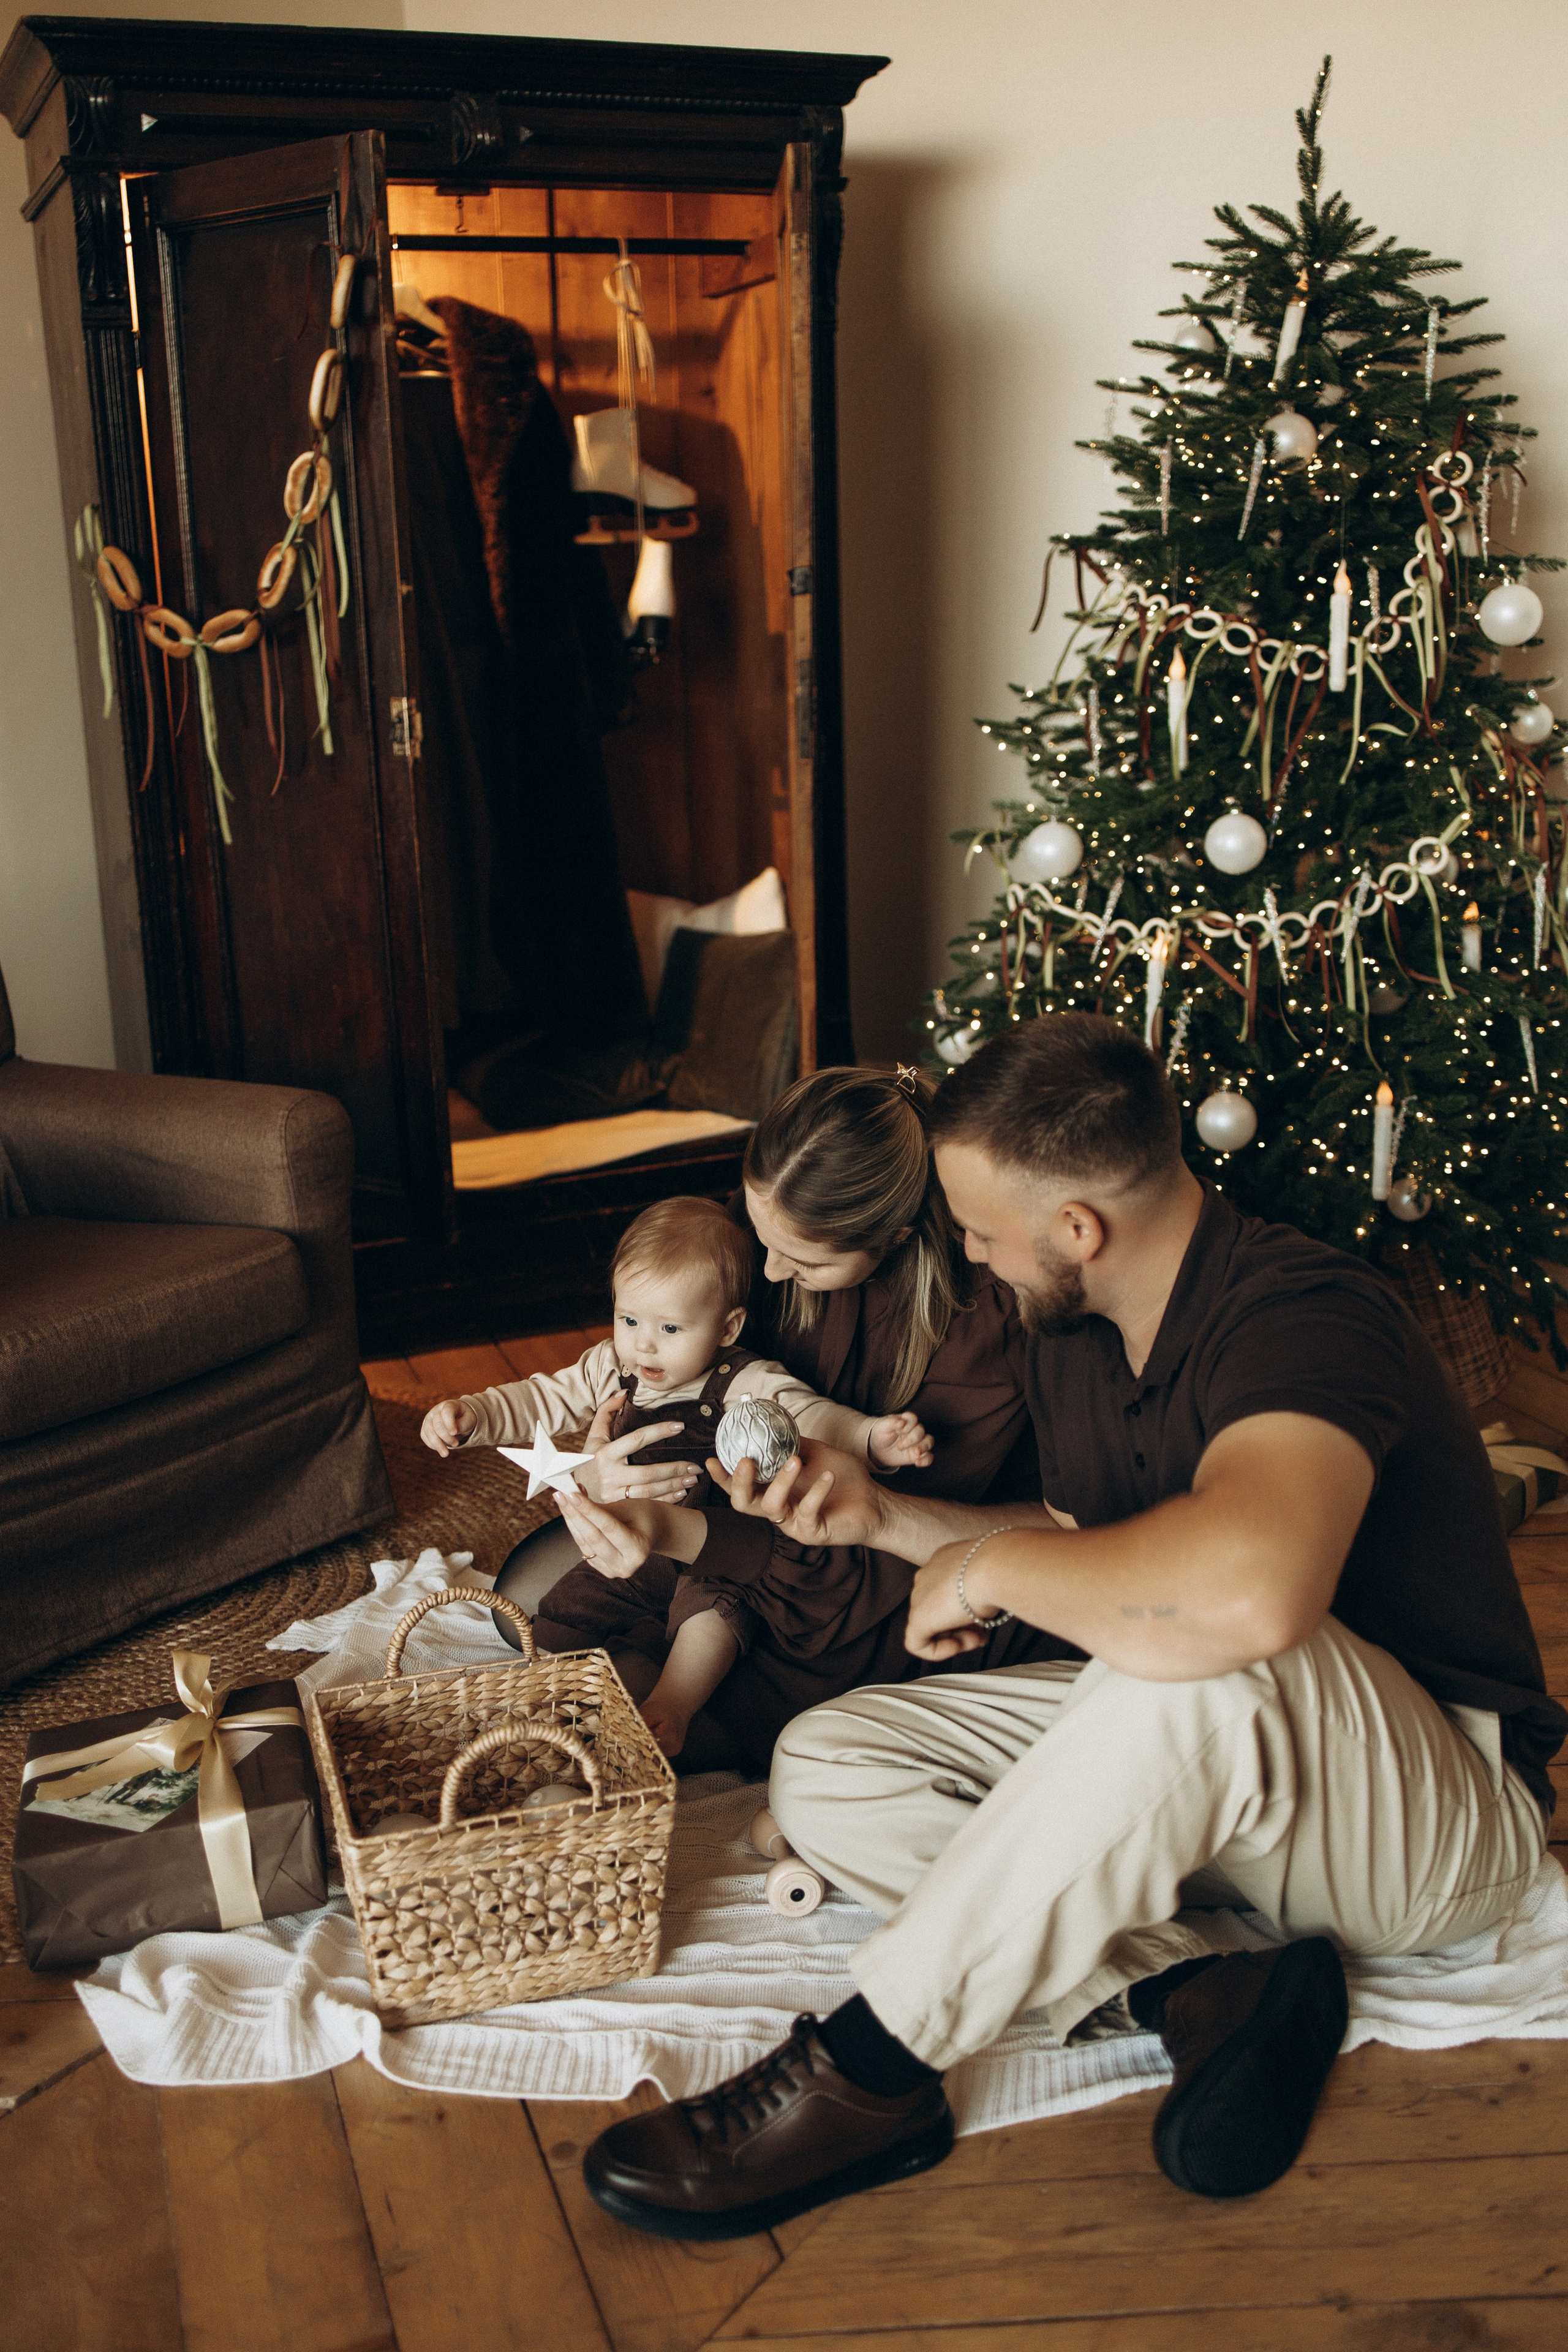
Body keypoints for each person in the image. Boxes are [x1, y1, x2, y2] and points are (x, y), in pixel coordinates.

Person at [570, 1012, 1566, 2235]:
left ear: (1076, 1231)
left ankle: (870, 2070)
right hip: (1229, 1794)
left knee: (1199, 1655)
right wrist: (880, 1517)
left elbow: (1248, 1596)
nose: (973, 1261)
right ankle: (1193, 1992)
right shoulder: (1075, 1339)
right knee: (828, 1764)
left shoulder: (1301, 1311)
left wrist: (994, 1574)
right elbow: (1064, 1528)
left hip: (1422, 1820)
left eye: (982, 1234)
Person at [518, 1066, 1055, 1768]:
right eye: (761, 1235)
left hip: (855, 1582)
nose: (768, 1274)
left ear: (892, 1236)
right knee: (528, 1598)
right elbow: (689, 1364)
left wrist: (670, 1529)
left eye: (801, 1262)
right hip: (726, 1512)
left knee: (679, 1716)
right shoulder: (776, 1226)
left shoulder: (984, 1321)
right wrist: (611, 1454)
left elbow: (863, 1538)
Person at [420, 1194, 932, 1753]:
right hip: (624, 1549)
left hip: (705, 1555)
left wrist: (867, 1439)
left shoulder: (744, 1381)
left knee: (714, 1618)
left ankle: (672, 1707)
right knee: (555, 1620)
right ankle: (548, 1709)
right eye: (630, 1318)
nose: (643, 1343)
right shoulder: (611, 1368)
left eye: (670, 1328)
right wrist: (476, 1415)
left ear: (728, 1327)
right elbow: (543, 1397)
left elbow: (806, 1418)